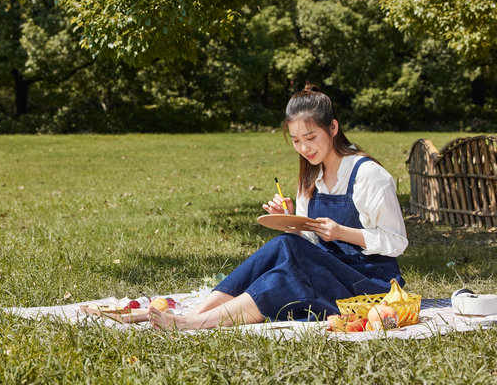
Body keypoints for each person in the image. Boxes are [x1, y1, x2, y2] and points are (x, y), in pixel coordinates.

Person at [147, 84, 408, 330]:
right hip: (327, 273)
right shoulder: (311, 176)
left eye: (310, 137)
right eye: (295, 140)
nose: (304, 148)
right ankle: (194, 315)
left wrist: (341, 232)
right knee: (285, 247)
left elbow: (396, 242)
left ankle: (191, 324)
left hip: (370, 287)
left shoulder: (368, 175)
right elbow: (307, 245)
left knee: (285, 278)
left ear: (333, 128)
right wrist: (289, 222)